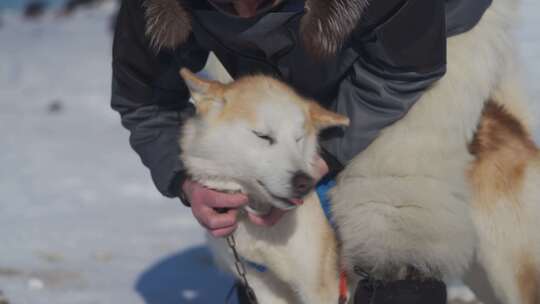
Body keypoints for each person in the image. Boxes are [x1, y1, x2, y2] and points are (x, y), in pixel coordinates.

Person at [111, 0, 492, 302]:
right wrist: (188, 182)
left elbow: (405, 71)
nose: (242, 11)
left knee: (396, 213)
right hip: (279, 48)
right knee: (254, 166)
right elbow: (145, 100)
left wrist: (319, 155)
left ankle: (401, 284)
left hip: (430, 34)